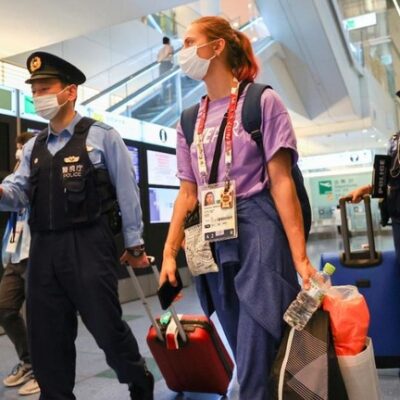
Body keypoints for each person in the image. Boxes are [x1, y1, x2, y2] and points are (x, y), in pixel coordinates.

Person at [160, 16, 316, 400]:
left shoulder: (261, 102)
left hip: (258, 225)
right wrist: (168, 252)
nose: (182, 52)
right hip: (211, 234)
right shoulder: (188, 120)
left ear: (216, 47)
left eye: (189, 42)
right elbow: (187, 192)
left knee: (256, 346)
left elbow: (281, 182)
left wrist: (299, 257)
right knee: (241, 345)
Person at [0, 52, 153, 400]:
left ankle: (137, 378)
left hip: (88, 247)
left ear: (70, 92)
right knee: (47, 338)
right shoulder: (34, 147)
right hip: (42, 250)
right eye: (34, 89)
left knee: (107, 328)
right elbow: (17, 192)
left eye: (45, 87)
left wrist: (135, 245)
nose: (38, 95)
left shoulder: (102, 136)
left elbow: (128, 192)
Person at [0, 132, 41, 396]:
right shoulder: (16, 175)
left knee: (40, 316)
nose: (18, 151)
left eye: (22, 146)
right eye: (17, 147)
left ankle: (43, 370)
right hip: (15, 254)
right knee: (4, 308)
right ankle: (28, 361)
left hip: (37, 254)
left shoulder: (41, 170)